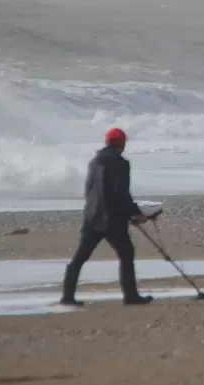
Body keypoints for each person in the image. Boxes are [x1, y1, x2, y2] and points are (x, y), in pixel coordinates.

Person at [60, 128, 155, 306]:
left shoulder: (94, 162)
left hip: (92, 217)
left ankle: (67, 296)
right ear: (122, 143)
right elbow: (121, 194)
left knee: (80, 257)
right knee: (126, 253)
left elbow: (90, 191)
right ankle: (130, 295)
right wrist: (135, 214)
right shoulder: (121, 164)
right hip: (112, 220)